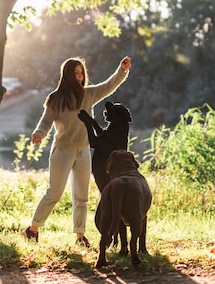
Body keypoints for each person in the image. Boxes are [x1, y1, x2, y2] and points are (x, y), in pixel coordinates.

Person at [22, 55, 132, 247]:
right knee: (54, 193)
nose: (80, 77)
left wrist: (122, 70)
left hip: (83, 151)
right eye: (76, 74)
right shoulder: (55, 99)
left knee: (81, 197)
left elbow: (108, 85)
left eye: (82, 73)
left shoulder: (88, 94)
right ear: (67, 75)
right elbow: (46, 121)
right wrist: (39, 133)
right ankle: (33, 229)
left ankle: (80, 236)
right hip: (62, 152)